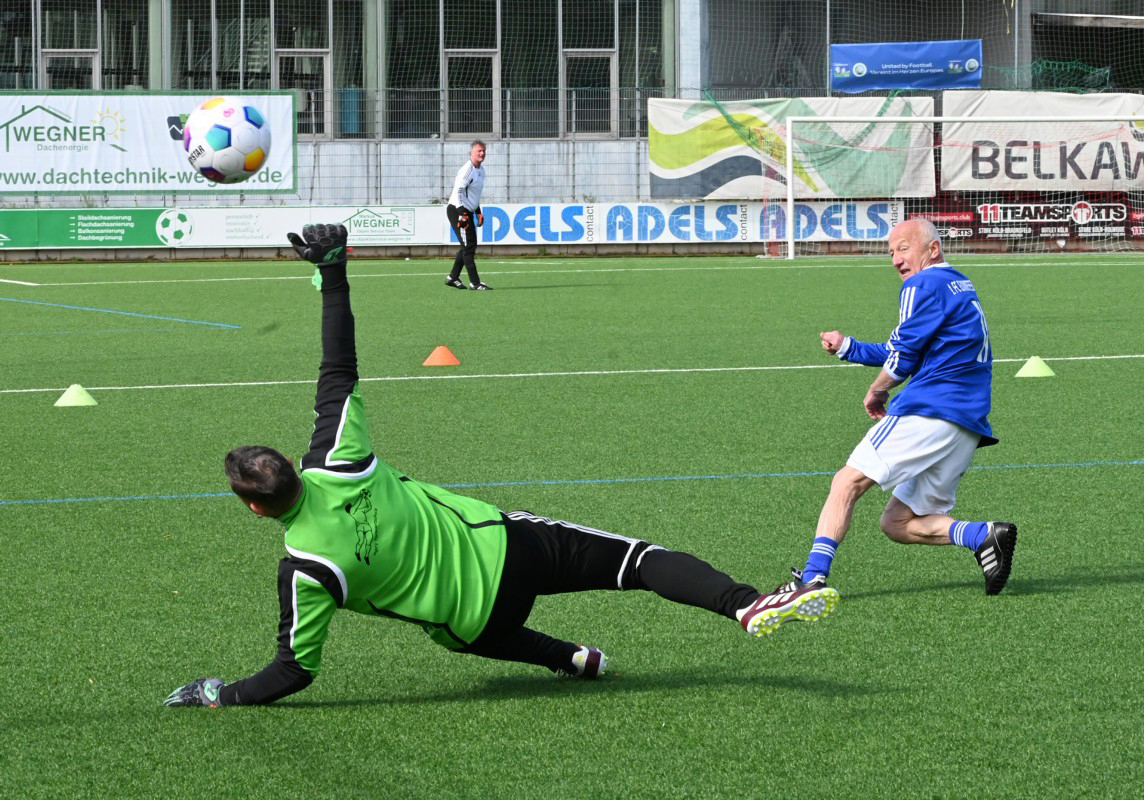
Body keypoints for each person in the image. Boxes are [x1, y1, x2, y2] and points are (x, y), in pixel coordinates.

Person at [164, 224, 840, 708]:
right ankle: (744, 604)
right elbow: (337, 366)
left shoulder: (306, 571)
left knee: (467, 635)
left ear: (253, 508)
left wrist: (220, 693)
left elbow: (293, 672)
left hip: (474, 622)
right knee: (638, 561)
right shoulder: (340, 460)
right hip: (508, 548)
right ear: (291, 463)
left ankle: (574, 659)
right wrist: (333, 272)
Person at [781, 218, 1017, 598]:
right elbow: (906, 348)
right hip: (965, 425)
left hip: (929, 410)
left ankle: (811, 579)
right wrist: (847, 347)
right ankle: (981, 536)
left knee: (846, 482)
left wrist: (876, 391)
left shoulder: (921, 285)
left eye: (904, 248)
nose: (895, 259)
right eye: (891, 252)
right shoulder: (957, 284)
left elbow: (903, 358)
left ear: (933, 249)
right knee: (897, 522)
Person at [444, 139, 491, 291]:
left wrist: (478, 212)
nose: (482, 153)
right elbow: (458, 192)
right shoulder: (467, 170)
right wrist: (463, 214)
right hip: (457, 210)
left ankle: (452, 278)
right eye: (479, 151)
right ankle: (475, 283)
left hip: (468, 211)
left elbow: (473, 195)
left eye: (483, 151)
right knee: (469, 246)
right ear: (471, 153)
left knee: (467, 245)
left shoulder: (481, 170)